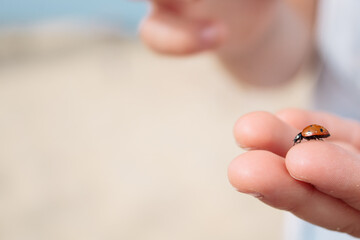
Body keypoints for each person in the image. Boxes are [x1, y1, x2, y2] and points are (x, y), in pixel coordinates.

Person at [139, 0, 360, 239]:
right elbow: (296, 41)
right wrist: (249, 29)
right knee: (292, 152)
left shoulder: (311, 135)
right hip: (323, 209)